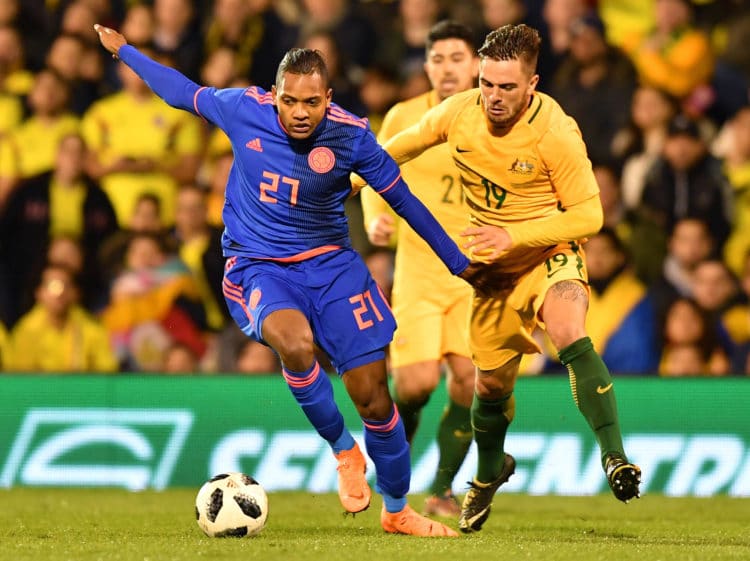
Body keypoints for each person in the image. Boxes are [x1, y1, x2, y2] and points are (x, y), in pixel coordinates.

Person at [94, 23, 485, 537]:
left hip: (332, 267)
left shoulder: (352, 137)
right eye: (289, 101)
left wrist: (458, 263)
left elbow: (404, 201)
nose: (299, 113)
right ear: (274, 96)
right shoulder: (243, 109)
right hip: (259, 264)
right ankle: (344, 451)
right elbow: (180, 92)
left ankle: (397, 511)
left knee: (375, 399)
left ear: (328, 98)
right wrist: (127, 52)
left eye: (311, 102)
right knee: (294, 344)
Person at [377, 24, 642, 533]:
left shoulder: (555, 132)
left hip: (548, 253)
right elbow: (398, 149)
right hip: (494, 274)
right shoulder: (459, 112)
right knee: (490, 385)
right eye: (487, 84)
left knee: (568, 331)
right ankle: (487, 474)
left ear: (533, 85)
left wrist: (514, 236)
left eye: (507, 87)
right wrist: (334, 177)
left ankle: (615, 457)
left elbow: (589, 217)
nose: (494, 97)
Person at [360, 20, 478, 518]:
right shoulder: (405, 116)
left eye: (457, 58)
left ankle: (444, 489)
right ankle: (396, 456)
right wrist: (374, 221)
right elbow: (370, 173)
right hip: (420, 272)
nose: (447, 69)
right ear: (426, 65)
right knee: (415, 385)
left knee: (472, 382)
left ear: (476, 64)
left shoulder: (492, 117)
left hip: (477, 273)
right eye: (438, 59)